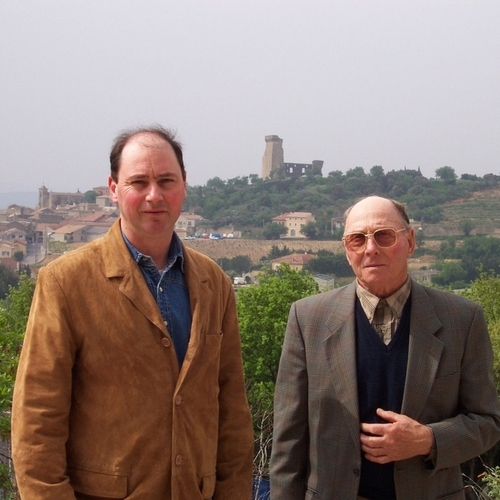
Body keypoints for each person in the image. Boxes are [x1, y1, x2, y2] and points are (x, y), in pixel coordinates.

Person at [12, 126, 254, 499]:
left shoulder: (214, 283)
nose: (154, 195)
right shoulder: (66, 281)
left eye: (166, 181)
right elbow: (37, 417)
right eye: (138, 182)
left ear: (184, 185)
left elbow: (232, 408)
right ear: (113, 188)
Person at [270, 195, 500, 499]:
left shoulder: (462, 319)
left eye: (384, 236)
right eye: (357, 239)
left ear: (410, 241)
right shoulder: (308, 318)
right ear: (346, 250)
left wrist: (427, 440)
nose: (370, 248)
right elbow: (288, 440)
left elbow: (488, 422)